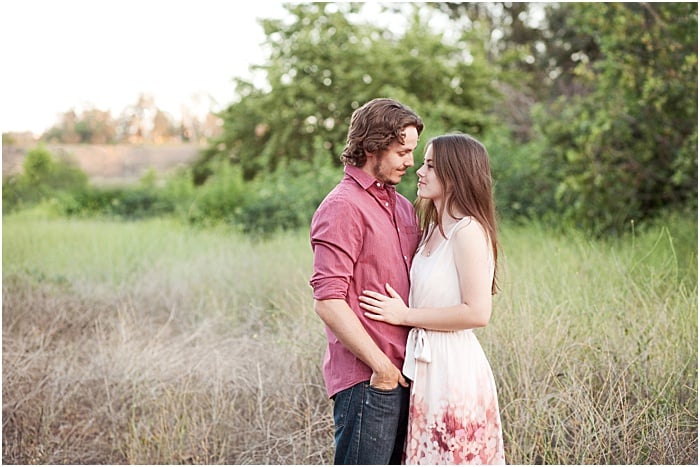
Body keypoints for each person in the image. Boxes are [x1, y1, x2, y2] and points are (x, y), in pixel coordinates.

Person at [358, 133, 506, 464]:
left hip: (454, 367)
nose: (419, 172)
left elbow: (478, 312)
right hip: (426, 367)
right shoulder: (432, 229)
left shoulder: (468, 231)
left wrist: (404, 316)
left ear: (456, 175)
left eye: (430, 166)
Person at [309, 97, 424, 465]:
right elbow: (328, 301)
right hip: (369, 380)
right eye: (402, 151)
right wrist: (382, 368)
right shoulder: (342, 206)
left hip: (409, 376)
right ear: (373, 146)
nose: (410, 161)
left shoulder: (402, 205)